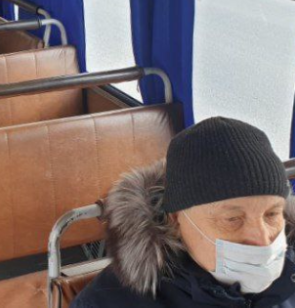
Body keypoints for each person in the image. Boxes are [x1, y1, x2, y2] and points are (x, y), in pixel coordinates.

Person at [72, 117, 295, 308]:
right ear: (177, 219)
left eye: (271, 215)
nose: (262, 240)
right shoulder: (105, 303)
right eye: (233, 219)